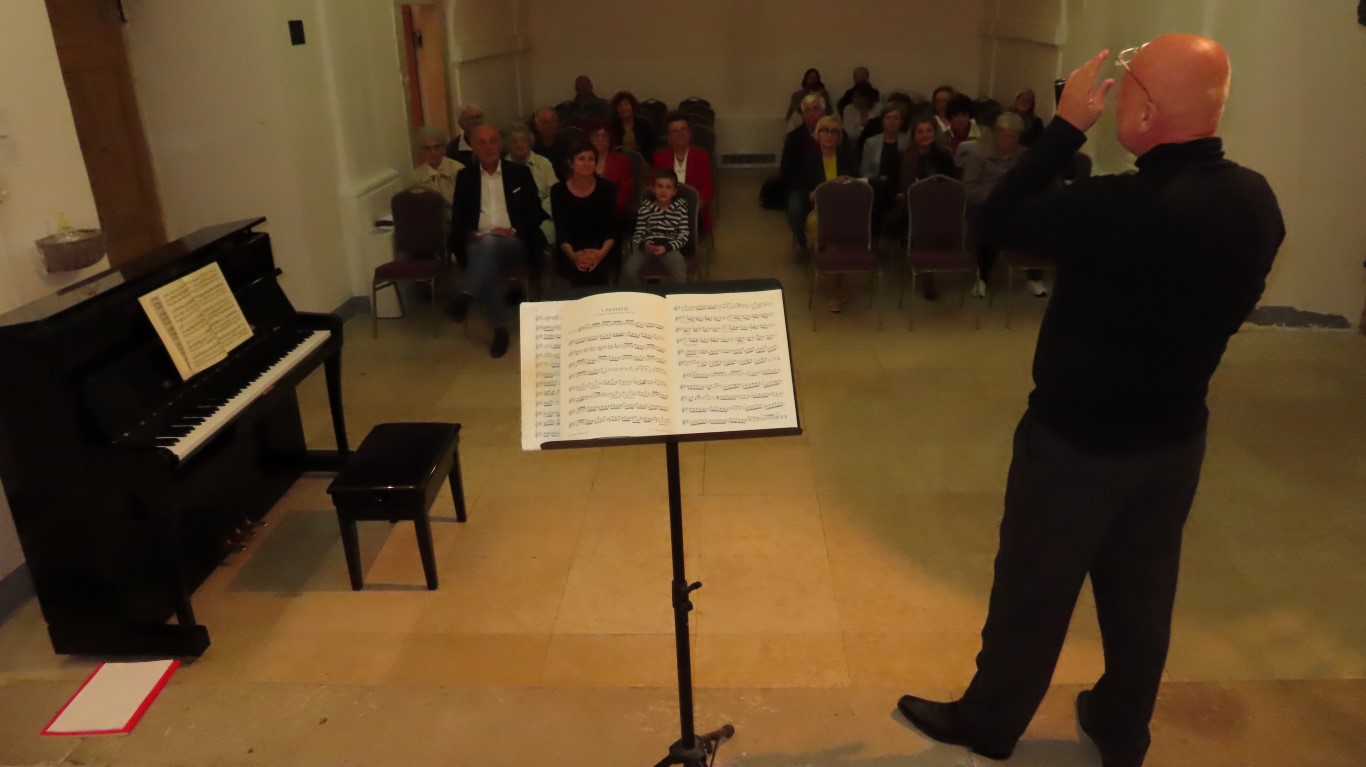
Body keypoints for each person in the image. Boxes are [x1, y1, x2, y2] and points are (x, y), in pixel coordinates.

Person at [895, 35, 1284, 767]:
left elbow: (996, 221)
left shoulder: (1114, 207)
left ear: (1146, 110)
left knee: (1033, 587)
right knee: (1142, 592)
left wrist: (1065, 127)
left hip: (1077, 442)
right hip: (1175, 438)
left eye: (1127, 85)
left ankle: (990, 720)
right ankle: (1121, 724)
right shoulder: (1256, 201)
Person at [448, 125, 547, 358]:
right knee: (484, 254)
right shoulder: (465, 177)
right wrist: (470, 233)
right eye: (481, 142)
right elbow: (458, 219)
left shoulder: (519, 173)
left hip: (514, 243)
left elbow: (536, 213)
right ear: (473, 148)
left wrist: (513, 230)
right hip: (478, 242)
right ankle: (500, 331)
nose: (488, 147)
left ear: (500, 145)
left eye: (493, 141)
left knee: (486, 247)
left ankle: (468, 294)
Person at [957, 112, 1029, 298]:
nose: (1009, 141)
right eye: (1006, 136)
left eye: (1014, 137)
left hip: (1014, 205)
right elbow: (969, 189)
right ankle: (982, 277)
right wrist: (995, 198)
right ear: (996, 134)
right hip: (983, 204)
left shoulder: (1023, 154)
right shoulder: (977, 153)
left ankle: (1034, 275)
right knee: (991, 221)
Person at [799, 115, 860, 312]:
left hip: (846, 209)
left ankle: (836, 285)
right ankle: (836, 288)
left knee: (840, 234)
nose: (829, 135)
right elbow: (801, 190)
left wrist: (845, 183)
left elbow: (858, 183)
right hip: (818, 211)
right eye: (825, 130)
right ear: (818, 135)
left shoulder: (848, 158)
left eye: (834, 131)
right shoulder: (809, 159)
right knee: (832, 235)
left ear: (839, 136)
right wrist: (814, 191)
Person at [552, 139, 618, 286]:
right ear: (571, 163)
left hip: (601, 247)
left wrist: (599, 254)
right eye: (581, 159)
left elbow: (611, 229)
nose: (586, 163)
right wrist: (574, 256)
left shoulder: (608, 188)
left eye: (591, 159)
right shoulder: (558, 191)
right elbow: (561, 230)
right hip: (570, 248)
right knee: (579, 272)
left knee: (596, 271)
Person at [623, 168, 690, 284]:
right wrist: (644, 245)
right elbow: (638, 234)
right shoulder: (645, 209)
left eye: (668, 187)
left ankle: (677, 295)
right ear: (653, 189)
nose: (663, 191)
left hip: (669, 248)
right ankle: (642, 294)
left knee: (679, 269)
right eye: (660, 186)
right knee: (628, 270)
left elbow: (683, 235)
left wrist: (667, 247)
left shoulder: (680, 210)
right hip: (647, 248)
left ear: (674, 191)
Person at [652, 112, 714, 235]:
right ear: (668, 136)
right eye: (675, 131)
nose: (680, 134)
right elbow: (653, 186)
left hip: (695, 212)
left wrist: (688, 211)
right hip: (665, 210)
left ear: (689, 133)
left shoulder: (702, 157)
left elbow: (707, 191)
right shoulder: (660, 158)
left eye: (683, 129)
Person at [780, 94, 827, 252]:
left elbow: (847, 166)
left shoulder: (837, 134)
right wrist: (809, 190)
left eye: (815, 109)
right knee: (794, 208)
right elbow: (787, 171)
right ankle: (803, 241)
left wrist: (823, 188)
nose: (811, 113)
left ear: (823, 111)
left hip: (832, 185)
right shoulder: (793, 138)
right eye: (807, 110)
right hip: (802, 188)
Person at [503, 121, 556, 247]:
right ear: (508, 145)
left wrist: (537, 213)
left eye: (523, 140)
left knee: (534, 237)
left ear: (530, 142)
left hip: (543, 217)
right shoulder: (503, 167)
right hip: (512, 220)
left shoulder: (543, 163)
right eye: (514, 141)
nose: (519, 144)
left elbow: (555, 193)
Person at [859, 104, 909, 228]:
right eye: (888, 117)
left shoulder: (908, 141)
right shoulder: (871, 142)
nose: (892, 121)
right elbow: (864, 171)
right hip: (877, 186)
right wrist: (879, 179)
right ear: (882, 121)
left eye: (896, 118)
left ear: (901, 122)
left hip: (899, 187)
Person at [408, 126, 462, 226]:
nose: (433, 152)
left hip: (459, 221)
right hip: (431, 225)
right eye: (427, 149)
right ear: (421, 151)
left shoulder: (458, 170)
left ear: (443, 148)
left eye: (437, 147)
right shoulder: (416, 177)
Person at [585, 120, 635, 218]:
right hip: (586, 210)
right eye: (596, 135)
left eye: (604, 136)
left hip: (613, 212)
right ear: (589, 139)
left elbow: (625, 194)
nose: (600, 139)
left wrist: (605, 208)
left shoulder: (622, 161)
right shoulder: (582, 160)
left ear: (610, 139)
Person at [610, 91, 656, 158]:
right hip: (620, 159)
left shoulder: (645, 124)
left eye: (626, 104)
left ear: (632, 106)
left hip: (642, 159)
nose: (623, 108)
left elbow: (650, 147)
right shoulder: (613, 126)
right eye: (619, 106)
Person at [532, 106, 569, 181]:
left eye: (552, 121)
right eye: (544, 122)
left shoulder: (568, 145)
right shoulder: (531, 146)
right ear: (536, 125)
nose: (549, 125)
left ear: (558, 123)